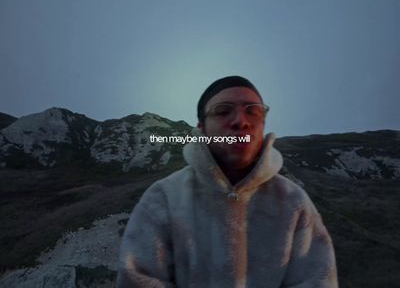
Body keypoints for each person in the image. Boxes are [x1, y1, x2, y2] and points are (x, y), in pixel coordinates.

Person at [117, 76, 338, 288]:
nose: (241, 121)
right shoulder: (163, 197)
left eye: (254, 111)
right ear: (201, 127)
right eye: (222, 111)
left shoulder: (294, 201)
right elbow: (139, 279)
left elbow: (316, 281)